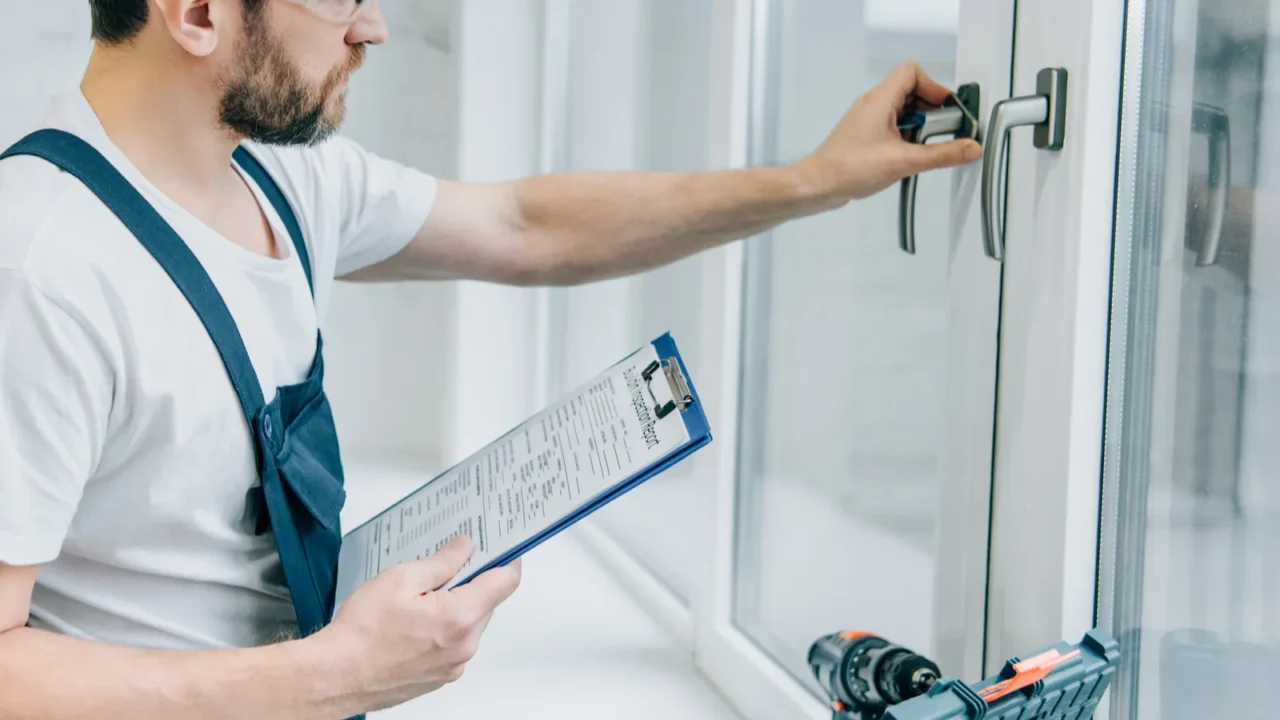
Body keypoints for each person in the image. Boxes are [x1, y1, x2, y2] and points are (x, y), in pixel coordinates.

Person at [0, 0, 982, 717]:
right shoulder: (40, 269)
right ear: (199, 13)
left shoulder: (279, 171)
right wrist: (329, 675)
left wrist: (816, 179)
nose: (372, 27)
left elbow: (523, 225)